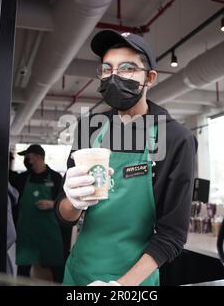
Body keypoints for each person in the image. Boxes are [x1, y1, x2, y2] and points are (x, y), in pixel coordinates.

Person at [55, 30, 198, 286]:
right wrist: (73, 201)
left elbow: (172, 236)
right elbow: (65, 216)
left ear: (150, 78)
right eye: (107, 69)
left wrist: (120, 287)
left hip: (134, 280)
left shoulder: (175, 139)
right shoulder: (89, 129)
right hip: (79, 271)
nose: (114, 77)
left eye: (127, 68)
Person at [15, 144, 64, 281]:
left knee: (57, 270)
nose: (26, 160)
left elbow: (65, 202)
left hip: (48, 232)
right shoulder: (23, 178)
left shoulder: (55, 177)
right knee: (22, 272)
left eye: (28, 157)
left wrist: (52, 204)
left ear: (38, 157)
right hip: (27, 233)